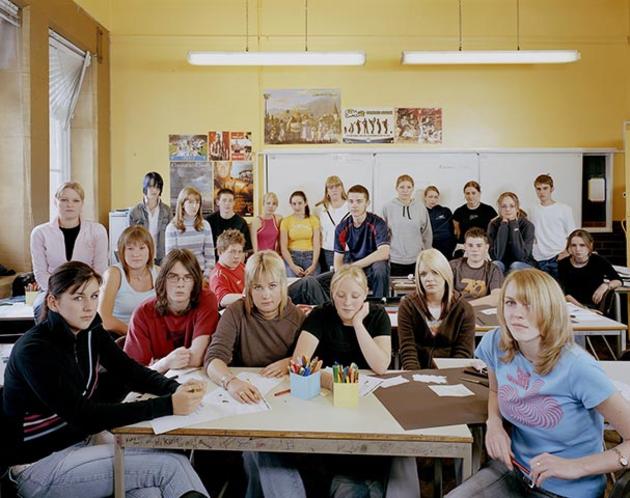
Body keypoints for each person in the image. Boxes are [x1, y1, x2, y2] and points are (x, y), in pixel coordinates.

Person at [3, 261, 209, 498]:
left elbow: (129, 371)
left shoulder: (90, 328)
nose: (89, 307)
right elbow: (84, 416)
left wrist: (176, 388)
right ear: (53, 302)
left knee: (150, 493)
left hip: (83, 443)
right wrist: (169, 404)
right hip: (39, 466)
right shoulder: (34, 350)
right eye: (78, 298)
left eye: (93, 296)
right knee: (170, 467)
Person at [446, 269, 630, 498]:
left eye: (529, 304)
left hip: (567, 490)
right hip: (515, 472)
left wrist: (575, 467)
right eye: (511, 303)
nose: (517, 314)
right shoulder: (497, 341)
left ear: (551, 309)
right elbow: (494, 389)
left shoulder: (578, 367)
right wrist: (494, 423)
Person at [246, 266, 418, 498]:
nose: (347, 303)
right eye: (340, 295)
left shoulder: (376, 315)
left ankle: (361, 478)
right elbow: (300, 361)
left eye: (355, 296)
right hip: (327, 400)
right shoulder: (321, 315)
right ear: (332, 294)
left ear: (366, 293)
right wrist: (332, 381)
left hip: (366, 402)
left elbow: (380, 365)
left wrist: (358, 323)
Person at [205, 250, 304, 403]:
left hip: (284, 393)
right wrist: (230, 382)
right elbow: (213, 359)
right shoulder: (235, 312)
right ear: (248, 289)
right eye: (258, 287)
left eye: (272, 286)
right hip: (243, 392)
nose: (266, 295)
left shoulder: (297, 317)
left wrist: (290, 362)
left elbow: (314, 358)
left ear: (283, 286)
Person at [124, 248, 219, 374]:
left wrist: (156, 364)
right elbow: (132, 373)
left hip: (196, 377)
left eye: (187, 277)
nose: (180, 284)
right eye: (173, 277)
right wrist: (165, 363)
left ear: (195, 282)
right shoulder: (143, 313)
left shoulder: (206, 299)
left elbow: (196, 358)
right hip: (156, 383)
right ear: (163, 280)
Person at [398, 249, 475, 369]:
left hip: (450, 375)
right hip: (415, 373)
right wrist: (415, 378)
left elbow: (462, 354)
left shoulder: (464, 309)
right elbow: (408, 350)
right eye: (423, 274)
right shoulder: (408, 305)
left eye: (435, 272)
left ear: (445, 274)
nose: (429, 278)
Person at [30, 181, 108, 294]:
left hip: (88, 291)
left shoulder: (97, 231)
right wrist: (61, 294)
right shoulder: (40, 233)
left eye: (76, 201)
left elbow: (100, 271)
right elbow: (41, 274)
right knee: (43, 311)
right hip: (52, 291)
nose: (70, 205)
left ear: (82, 204)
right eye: (64, 200)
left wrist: (81, 293)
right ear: (55, 202)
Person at [97, 226, 159, 336]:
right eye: (130, 248)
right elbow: (104, 318)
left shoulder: (159, 272)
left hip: (151, 334)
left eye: (142, 248)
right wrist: (136, 334)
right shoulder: (113, 274)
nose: (136, 254)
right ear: (122, 251)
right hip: (119, 336)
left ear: (150, 250)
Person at [333, 184, 391, 298]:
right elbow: (337, 261)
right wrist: (341, 275)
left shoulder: (378, 223)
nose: (354, 205)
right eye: (351, 201)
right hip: (354, 270)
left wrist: (353, 266)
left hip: (372, 268)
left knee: (380, 268)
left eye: (359, 201)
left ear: (367, 203)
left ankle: (380, 306)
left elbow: (384, 253)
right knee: (323, 280)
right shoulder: (342, 227)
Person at [558, 228, 622, 312]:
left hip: (596, 308)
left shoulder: (599, 261)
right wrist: (584, 309)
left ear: (590, 245)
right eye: (573, 245)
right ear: (569, 247)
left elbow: (618, 280)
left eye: (582, 245)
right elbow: (564, 293)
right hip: (571, 307)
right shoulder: (563, 264)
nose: (577, 249)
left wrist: (605, 285)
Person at [382, 175, 432, 277]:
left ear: (413, 188)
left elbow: (427, 233)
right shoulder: (387, 207)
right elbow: (382, 234)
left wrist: (427, 255)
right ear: (396, 188)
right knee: (397, 290)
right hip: (395, 259)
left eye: (408, 187)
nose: (405, 190)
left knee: (416, 290)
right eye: (402, 187)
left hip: (417, 258)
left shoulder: (421, 208)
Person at [529, 174, 576, 280]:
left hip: (558, 256)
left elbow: (573, 234)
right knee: (543, 292)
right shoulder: (532, 209)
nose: (542, 192)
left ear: (552, 189)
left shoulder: (564, 209)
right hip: (539, 258)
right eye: (538, 189)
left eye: (545, 188)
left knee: (560, 291)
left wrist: (566, 252)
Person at [165, 186, 215, 278]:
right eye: (191, 202)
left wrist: (206, 277)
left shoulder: (205, 225)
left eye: (197, 202)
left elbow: (210, 257)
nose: (195, 206)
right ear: (182, 204)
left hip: (202, 274)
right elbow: (171, 260)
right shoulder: (172, 227)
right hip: (180, 275)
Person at [450, 227, 504, 307]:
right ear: (465, 247)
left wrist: (466, 306)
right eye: (470, 245)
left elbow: (496, 298)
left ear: (486, 247)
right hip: (456, 311)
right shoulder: (453, 266)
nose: (474, 249)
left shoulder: (493, 270)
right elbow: (444, 293)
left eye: (479, 246)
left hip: (481, 310)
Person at [128, 171, 172, 264]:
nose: (154, 190)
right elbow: (131, 238)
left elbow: (171, 236)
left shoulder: (167, 211)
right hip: (142, 257)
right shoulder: (134, 212)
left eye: (157, 187)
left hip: (162, 257)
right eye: (151, 186)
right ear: (145, 188)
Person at [487, 192, 535, 275]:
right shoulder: (493, 225)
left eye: (511, 206)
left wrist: (513, 225)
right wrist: (503, 226)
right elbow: (497, 256)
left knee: (515, 265)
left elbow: (521, 257)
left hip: (524, 264)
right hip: (503, 264)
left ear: (517, 208)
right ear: (499, 208)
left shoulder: (527, 225)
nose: (508, 209)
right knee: (496, 265)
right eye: (504, 206)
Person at [279, 191, 321, 277]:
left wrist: (313, 265)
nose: (297, 207)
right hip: (292, 257)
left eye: (300, 203)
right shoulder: (285, 221)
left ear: (305, 203)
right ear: (290, 204)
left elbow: (317, 244)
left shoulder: (314, 220)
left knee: (313, 283)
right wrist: (292, 266)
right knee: (293, 284)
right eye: (294, 204)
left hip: (310, 257)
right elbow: (283, 248)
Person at [206, 188, 252, 258]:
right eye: (224, 200)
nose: (227, 203)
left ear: (234, 203)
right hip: (213, 263)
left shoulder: (241, 222)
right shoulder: (208, 221)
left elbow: (244, 251)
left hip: (234, 263)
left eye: (230, 201)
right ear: (217, 202)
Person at [315, 176, 349, 271]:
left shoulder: (350, 206)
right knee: (329, 281)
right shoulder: (320, 208)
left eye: (337, 186)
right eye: (331, 187)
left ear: (342, 188)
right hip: (327, 251)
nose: (334, 190)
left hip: (347, 251)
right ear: (327, 191)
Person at [452, 181, 497, 248]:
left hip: (483, 246)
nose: (470, 196)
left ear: (479, 193)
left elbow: (494, 231)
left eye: (473, 193)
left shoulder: (489, 210)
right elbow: (458, 233)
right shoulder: (458, 212)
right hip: (464, 246)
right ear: (464, 194)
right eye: (467, 193)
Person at [208, 229, 246, 308]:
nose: (237, 256)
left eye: (239, 252)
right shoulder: (218, 275)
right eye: (232, 251)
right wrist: (245, 297)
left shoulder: (241, 266)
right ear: (220, 252)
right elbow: (223, 299)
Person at [424, 185, 456, 260]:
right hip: (432, 247)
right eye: (430, 197)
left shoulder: (445, 211)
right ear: (425, 197)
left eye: (435, 197)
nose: (433, 200)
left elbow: (453, 229)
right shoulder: (422, 212)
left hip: (448, 247)